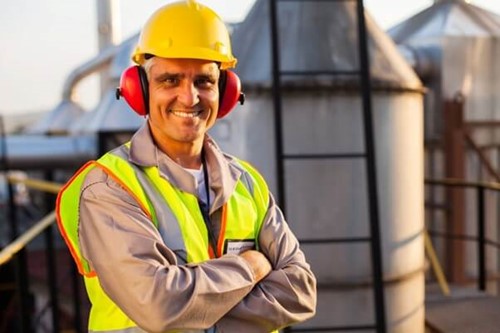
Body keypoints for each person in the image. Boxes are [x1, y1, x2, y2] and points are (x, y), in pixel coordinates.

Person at [56, 1, 316, 332]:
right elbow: (161, 308)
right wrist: (251, 267)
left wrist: (193, 305)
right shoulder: (109, 186)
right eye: (170, 80)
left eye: (204, 81)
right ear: (140, 90)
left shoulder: (248, 184)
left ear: (225, 92)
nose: (189, 97)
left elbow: (301, 291)